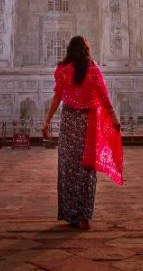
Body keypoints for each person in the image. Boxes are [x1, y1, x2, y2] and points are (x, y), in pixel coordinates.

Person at [42, 36, 123, 230]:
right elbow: (104, 96)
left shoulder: (62, 70)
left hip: (69, 122)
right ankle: (85, 216)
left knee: (68, 169)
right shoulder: (93, 71)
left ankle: (71, 215)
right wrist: (113, 117)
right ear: (86, 50)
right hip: (87, 123)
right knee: (86, 170)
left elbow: (57, 98)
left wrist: (46, 122)